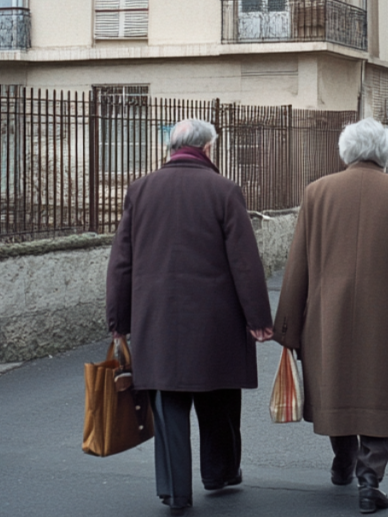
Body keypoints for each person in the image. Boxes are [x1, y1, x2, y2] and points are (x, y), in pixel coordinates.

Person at [273, 117, 388, 514]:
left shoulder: (317, 193)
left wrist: (288, 325)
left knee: (337, 386)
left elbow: (297, 265)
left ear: (344, 151)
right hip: (387, 316)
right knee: (381, 392)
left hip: (326, 313)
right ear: (386, 152)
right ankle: (370, 479)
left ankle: (343, 461)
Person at [106, 118, 273, 513]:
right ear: (208, 149)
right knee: (218, 396)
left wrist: (119, 324)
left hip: (157, 319)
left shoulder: (140, 190)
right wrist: (258, 318)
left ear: (171, 148)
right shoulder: (225, 190)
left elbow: (121, 263)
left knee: (167, 403)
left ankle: (175, 491)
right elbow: (245, 263)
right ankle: (220, 473)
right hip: (216, 320)